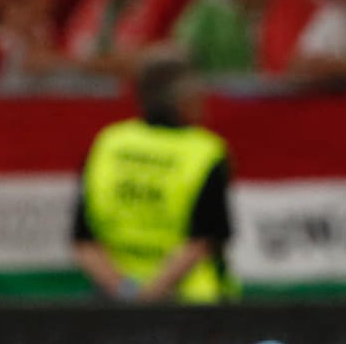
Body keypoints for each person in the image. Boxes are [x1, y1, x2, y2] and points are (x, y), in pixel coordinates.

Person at [72, 52, 237, 303]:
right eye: (198, 92)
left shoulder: (109, 144)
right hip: (195, 305)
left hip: (114, 301)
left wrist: (127, 292)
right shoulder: (205, 151)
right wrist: (151, 297)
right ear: (182, 100)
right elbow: (202, 241)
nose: (204, 100)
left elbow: (84, 243)